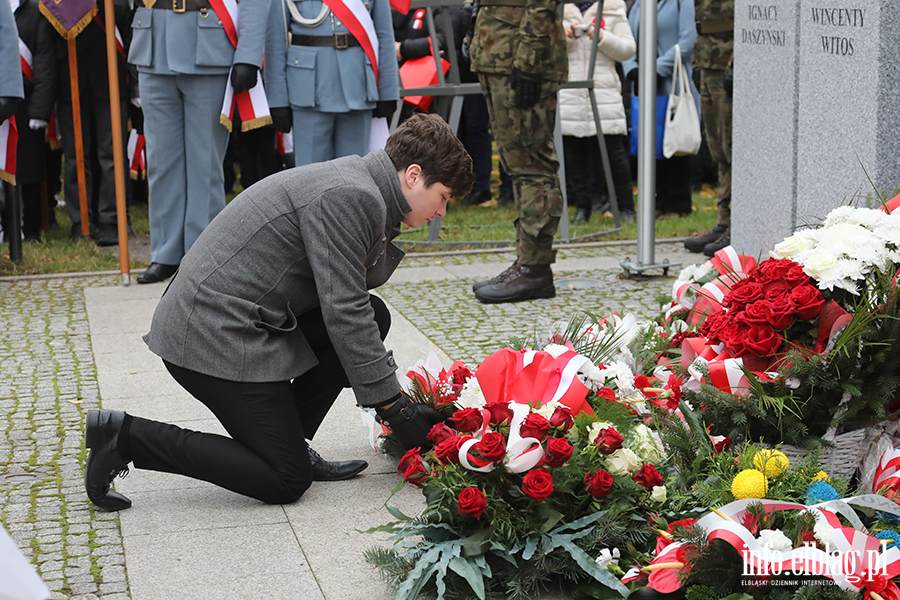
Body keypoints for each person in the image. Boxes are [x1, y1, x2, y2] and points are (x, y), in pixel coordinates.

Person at [83, 113, 474, 511]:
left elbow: (351, 306)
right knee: (285, 479)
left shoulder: (362, 185)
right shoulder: (353, 194)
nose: (442, 211)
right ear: (412, 175)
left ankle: (289, 441)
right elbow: (344, 310)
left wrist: (390, 401)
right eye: (443, 196)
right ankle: (126, 437)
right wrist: (395, 408)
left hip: (241, 320)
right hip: (210, 332)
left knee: (375, 316)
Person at [129, 0, 267, 283]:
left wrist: (248, 55)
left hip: (208, 47)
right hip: (153, 47)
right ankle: (165, 254)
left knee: (205, 164)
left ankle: (202, 254)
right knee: (160, 161)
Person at [467, 0, 568, 304]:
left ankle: (534, 268)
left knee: (532, 163)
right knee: (516, 164)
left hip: (518, 58)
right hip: (496, 52)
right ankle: (526, 262)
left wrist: (528, 58)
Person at [265, 0, 399, 167]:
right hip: (308, 91)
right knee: (311, 175)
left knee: (355, 174)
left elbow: (384, 35)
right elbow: (275, 41)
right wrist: (278, 99)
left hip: (357, 86)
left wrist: (388, 90)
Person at [49, 0, 132, 246]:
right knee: (76, 155)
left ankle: (111, 218)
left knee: (111, 152)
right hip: (68, 74)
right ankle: (81, 219)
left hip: (108, 71)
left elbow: (123, 15)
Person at [560, 0, 635, 224]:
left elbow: (628, 49)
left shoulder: (612, 8)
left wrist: (601, 37)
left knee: (615, 155)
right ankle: (583, 208)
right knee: (576, 156)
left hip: (604, 92)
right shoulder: (559, 11)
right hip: (571, 93)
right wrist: (565, 36)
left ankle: (627, 208)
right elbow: (546, 50)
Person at [622, 0, 698, 218]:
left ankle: (677, 204)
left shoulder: (682, 2)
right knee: (652, 141)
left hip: (672, 81)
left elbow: (688, 40)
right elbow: (629, 41)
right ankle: (658, 201)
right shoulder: (639, 3)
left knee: (675, 139)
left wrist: (655, 69)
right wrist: (633, 69)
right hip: (644, 85)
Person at [683, 0, 732, 256]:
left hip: (728, 64)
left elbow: (753, 22)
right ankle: (723, 221)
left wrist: (735, 65)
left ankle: (737, 224)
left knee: (734, 148)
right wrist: (698, 63)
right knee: (719, 149)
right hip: (709, 62)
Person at [12, 0, 56, 241]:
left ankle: (30, 229)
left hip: (27, 106)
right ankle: (7, 229)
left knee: (28, 172)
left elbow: (44, 66)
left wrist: (40, 111)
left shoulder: (35, 12)